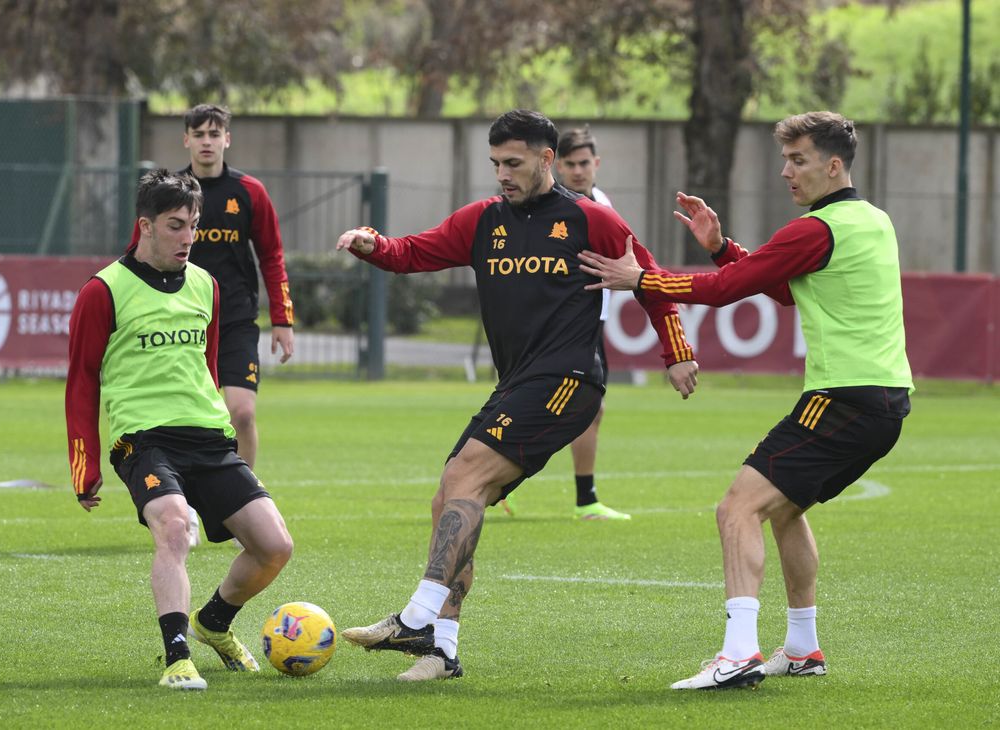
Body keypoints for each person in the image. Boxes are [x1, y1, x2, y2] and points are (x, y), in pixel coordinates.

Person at [335, 109, 699, 682]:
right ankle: (443, 649)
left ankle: (416, 615)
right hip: (517, 383)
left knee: (465, 477)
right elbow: (412, 253)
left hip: (568, 381)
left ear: (546, 159)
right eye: (495, 163)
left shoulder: (591, 220)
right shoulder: (482, 221)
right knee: (453, 499)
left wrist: (677, 353)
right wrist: (369, 243)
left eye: (513, 162)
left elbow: (649, 280)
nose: (502, 173)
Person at [578, 111, 913, 690]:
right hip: (882, 400)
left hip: (843, 400)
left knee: (736, 509)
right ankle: (803, 649)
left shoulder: (815, 229)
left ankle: (737, 655)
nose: (786, 171)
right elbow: (781, 287)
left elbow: (733, 289)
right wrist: (720, 245)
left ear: (833, 166)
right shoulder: (871, 220)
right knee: (784, 510)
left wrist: (643, 281)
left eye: (799, 160)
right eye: (785, 159)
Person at [68, 169, 295, 690]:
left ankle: (213, 623)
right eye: (175, 226)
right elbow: (80, 381)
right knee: (174, 526)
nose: (188, 237)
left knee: (275, 546)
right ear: (144, 226)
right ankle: (177, 658)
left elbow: (209, 370)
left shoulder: (206, 286)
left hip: (209, 439)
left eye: (193, 225)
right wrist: (84, 465)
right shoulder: (103, 291)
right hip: (143, 440)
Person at [131, 104, 295, 547]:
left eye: (215, 132)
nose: (207, 140)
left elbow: (272, 256)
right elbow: (138, 250)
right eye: (198, 132)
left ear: (228, 139)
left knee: (241, 413)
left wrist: (283, 319)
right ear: (185, 139)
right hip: (182, 323)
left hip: (237, 320)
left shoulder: (249, 192)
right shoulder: (171, 192)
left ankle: (240, 506)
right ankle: (184, 507)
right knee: (182, 419)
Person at [549, 125, 630, 521]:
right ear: (557, 165)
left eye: (584, 163)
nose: (578, 170)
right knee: (569, 407)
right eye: (571, 163)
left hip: (592, 322)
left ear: (596, 164)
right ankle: (489, 474)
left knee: (589, 409)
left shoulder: (601, 202)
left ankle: (586, 498)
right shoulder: (555, 208)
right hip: (564, 326)